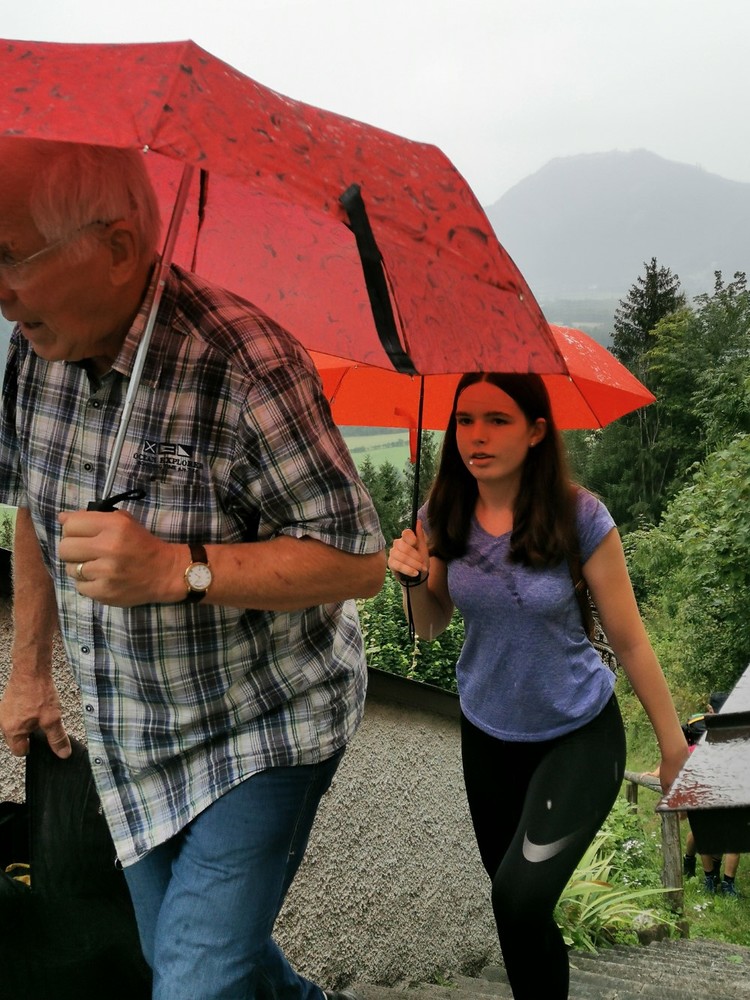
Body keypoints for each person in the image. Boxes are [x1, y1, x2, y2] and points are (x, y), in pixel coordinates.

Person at [0, 139, 386, 1000]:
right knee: (181, 953)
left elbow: (358, 559)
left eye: (11, 256)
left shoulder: (249, 365)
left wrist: (178, 568)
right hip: (134, 734)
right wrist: (28, 672)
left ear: (116, 249)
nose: (0, 290)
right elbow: (31, 503)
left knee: (191, 981)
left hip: (266, 724)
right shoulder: (34, 350)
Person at [387, 372, 688, 1000]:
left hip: (578, 732)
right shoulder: (440, 515)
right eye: (465, 420)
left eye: (497, 420)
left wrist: (672, 747)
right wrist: (413, 581)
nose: (476, 435)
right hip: (488, 735)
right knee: (516, 910)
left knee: (519, 899)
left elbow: (631, 640)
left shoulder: (581, 516)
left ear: (535, 431)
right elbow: (430, 626)